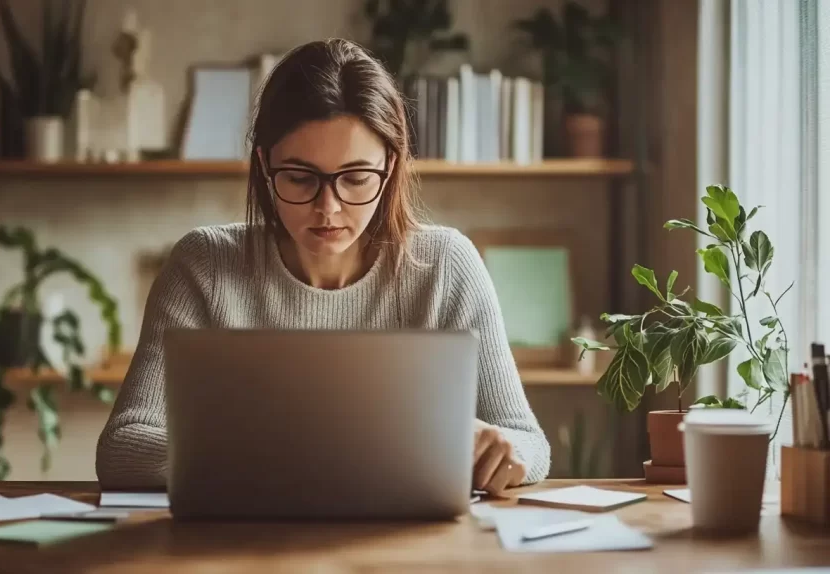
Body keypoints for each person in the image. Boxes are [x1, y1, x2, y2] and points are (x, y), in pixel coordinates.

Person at [96, 38, 551, 494]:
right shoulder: (205, 265)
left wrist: (496, 451)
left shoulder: (447, 265)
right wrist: (297, 456)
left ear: (390, 167)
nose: (328, 208)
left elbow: (530, 445)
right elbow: (122, 447)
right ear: (264, 164)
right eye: (299, 177)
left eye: (355, 178)